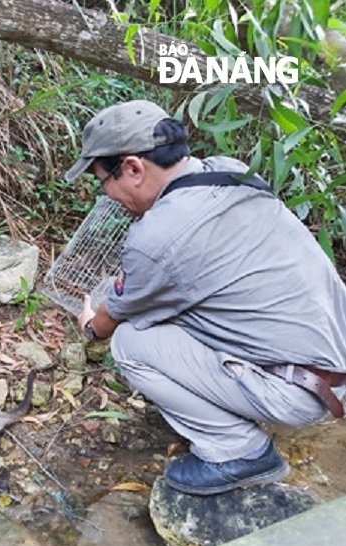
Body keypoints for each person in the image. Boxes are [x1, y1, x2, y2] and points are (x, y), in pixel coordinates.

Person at [66, 99, 346, 495]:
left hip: (300, 393)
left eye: (103, 181)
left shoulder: (155, 237)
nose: (107, 194)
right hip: (336, 359)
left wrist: (91, 328)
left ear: (132, 167)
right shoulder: (229, 170)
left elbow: (112, 317)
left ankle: (241, 452)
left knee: (130, 343)